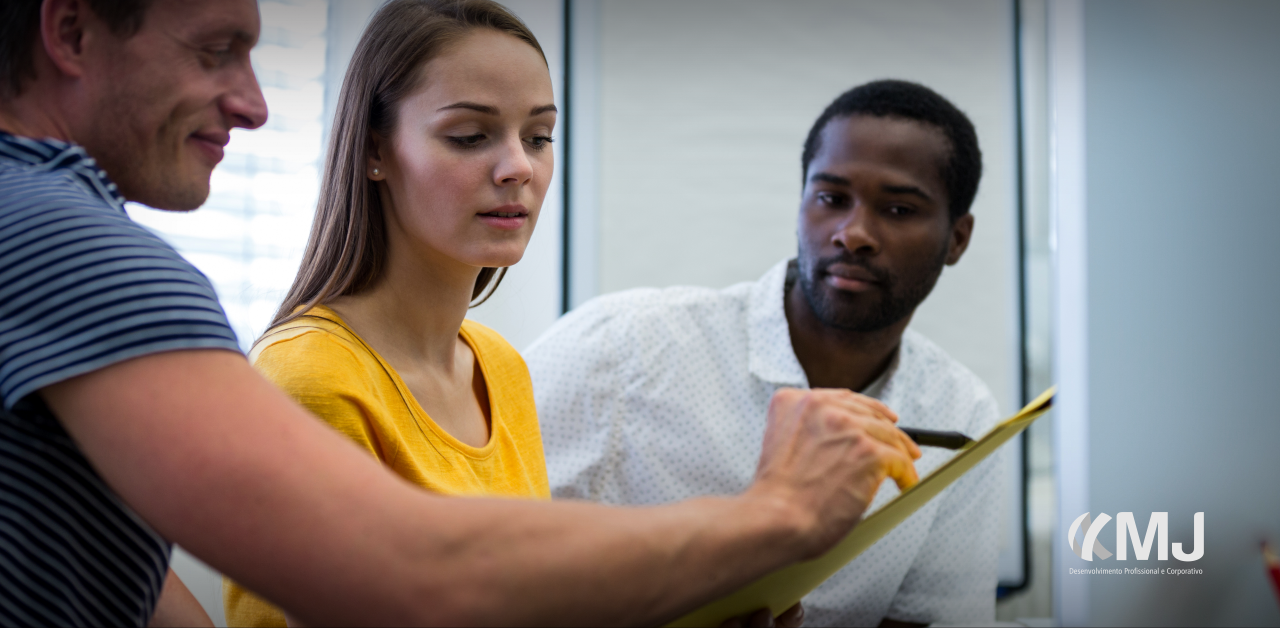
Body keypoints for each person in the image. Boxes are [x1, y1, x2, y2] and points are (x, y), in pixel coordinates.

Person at [0, 0, 923, 625]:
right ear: (70, 31)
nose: (253, 101)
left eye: (539, 135)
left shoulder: (502, 366)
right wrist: (778, 516)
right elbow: (420, 575)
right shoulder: (76, 249)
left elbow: (120, 575)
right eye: (214, 50)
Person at [527, 80, 1004, 627]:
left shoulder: (961, 413)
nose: (853, 234)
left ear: (957, 239)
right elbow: (474, 556)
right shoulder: (620, 346)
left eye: (897, 209)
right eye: (830, 199)